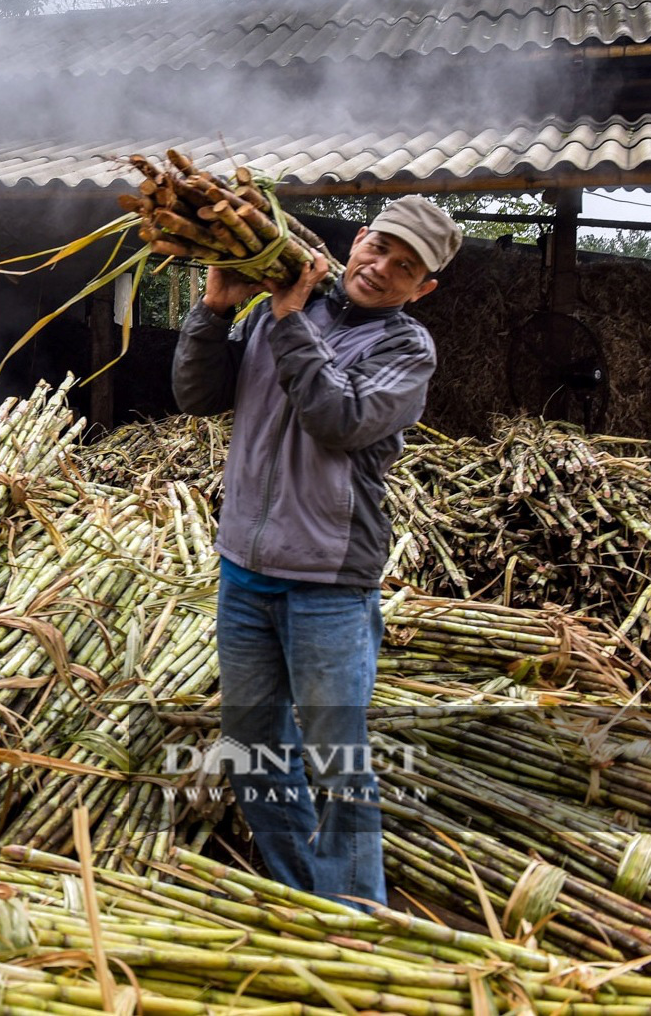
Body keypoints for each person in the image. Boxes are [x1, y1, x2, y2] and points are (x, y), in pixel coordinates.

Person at [171, 194, 462, 907]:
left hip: (328, 579)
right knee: (252, 746)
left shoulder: (404, 347)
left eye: (404, 267)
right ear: (358, 238)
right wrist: (212, 310)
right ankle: (302, 895)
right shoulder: (288, 306)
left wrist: (288, 320)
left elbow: (339, 420)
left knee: (335, 760)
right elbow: (195, 395)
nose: (381, 269)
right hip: (245, 569)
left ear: (421, 288)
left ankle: (356, 912)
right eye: (378, 248)